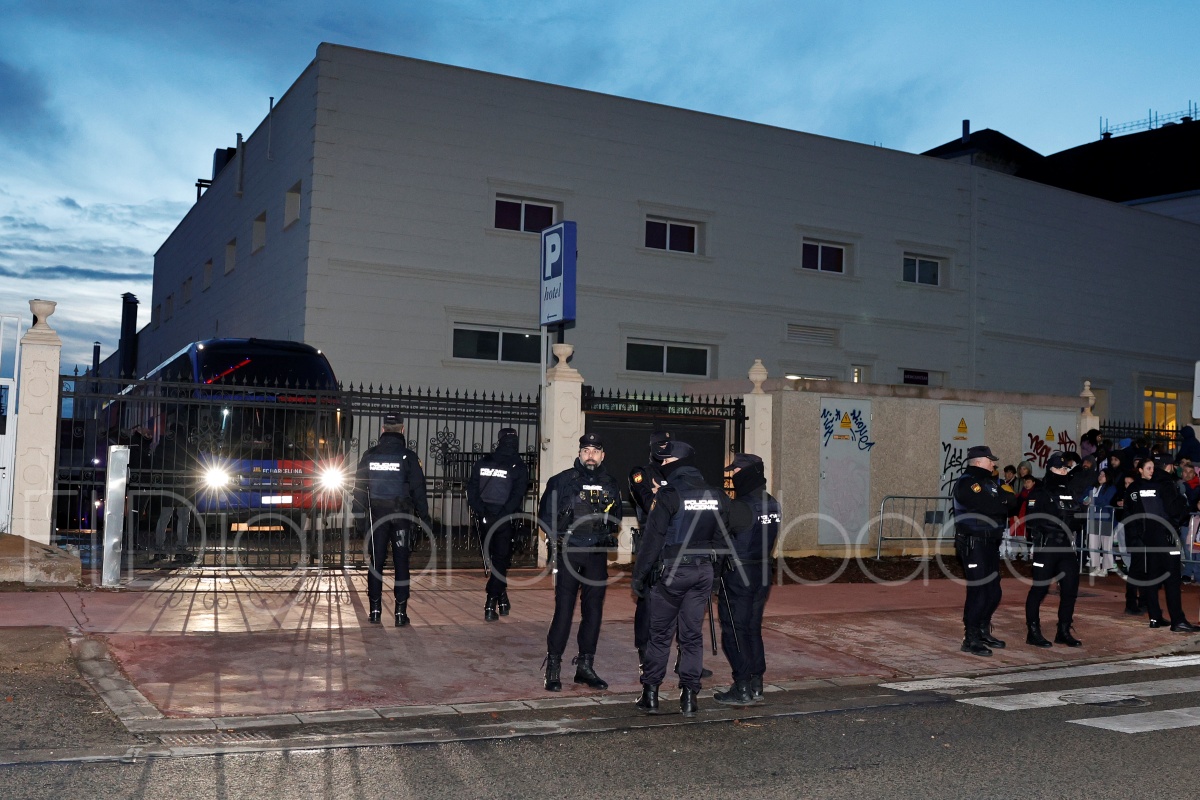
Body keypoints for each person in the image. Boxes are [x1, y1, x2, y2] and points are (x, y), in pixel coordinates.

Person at [631, 440, 731, 715]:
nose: (661, 465)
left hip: (672, 573)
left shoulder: (669, 495)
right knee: (691, 636)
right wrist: (715, 577)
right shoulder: (717, 495)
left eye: (665, 461)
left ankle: (651, 694)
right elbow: (723, 540)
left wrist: (639, 577)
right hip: (702, 572)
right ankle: (689, 697)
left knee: (660, 635)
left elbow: (652, 540)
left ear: (677, 463)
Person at [537, 433, 623, 692]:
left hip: (596, 554)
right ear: (579, 453)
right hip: (570, 553)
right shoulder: (562, 480)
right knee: (564, 610)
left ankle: (585, 667)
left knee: (593, 611)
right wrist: (557, 541)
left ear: (603, 455)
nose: (590, 456)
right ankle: (553, 666)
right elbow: (545, 516)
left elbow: (616, 517)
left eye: (595, 451)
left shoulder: (610, 483)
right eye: (586, 451)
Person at [713, 453, 780, 707]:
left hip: (738, 575)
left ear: (749, 472)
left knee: (734, 629)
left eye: (736, 471)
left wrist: (714, 577)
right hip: (763, 572)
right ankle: (756, 682)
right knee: (752, 627)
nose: (733, 475)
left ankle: (741, 686)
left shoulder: (739, 506)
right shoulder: (772, 503)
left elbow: (721, 542)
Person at [354, 413, 428, 627]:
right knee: (401, 563)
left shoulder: (370, 455)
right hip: (401, 516)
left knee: (376, 562)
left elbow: (359, 490)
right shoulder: (409, 456)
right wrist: (425, 518)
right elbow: (418, 491)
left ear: (383, 429)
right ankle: (400, 613)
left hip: (377, 517)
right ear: (402, 430)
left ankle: (375, 610)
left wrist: (359, 519)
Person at [951, 444, 1018, 656]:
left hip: (990, 543)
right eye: (991, 461)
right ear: (979, 461)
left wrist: (999, 501)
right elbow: (991, 506)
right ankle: (970, 638)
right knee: (978, 591)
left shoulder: (990, 482)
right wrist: (999, 501)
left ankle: (982, 630)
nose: (994, 464)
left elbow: (1012, 502)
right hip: (974, 543)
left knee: (993, 590)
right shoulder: (966, 482)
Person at [1122, 457, 1199, 632]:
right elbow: (1174, 510)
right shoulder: (1165, 483)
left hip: (1148, 535)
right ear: (1169, 466)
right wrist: (1183, 504)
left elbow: (1131, 512)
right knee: (1172, 578)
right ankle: (1177, 620)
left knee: (1152, 576)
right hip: (1166, 534)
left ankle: (1155, 617)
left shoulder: (1138, 486)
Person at [467, 427, 530, 621]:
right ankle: (491, 601)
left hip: (485, 518)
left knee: (495, 560)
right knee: (500, 561)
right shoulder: (518, 465)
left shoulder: (484, 461)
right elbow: (518, 495)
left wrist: (482, 511)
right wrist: (504, 513)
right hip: (505, 518)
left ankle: (502, 599)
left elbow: (471, 490)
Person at [1023, 454, 1084, 648]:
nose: (1064, 472)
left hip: (1066, 546)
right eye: (1060, 468)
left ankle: (1063, 631)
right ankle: (1033, 632)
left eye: (1065, 469)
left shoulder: (1070, 491)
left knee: (1070, 589)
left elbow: (1079, 517)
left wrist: (1071, 522)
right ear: (1051, 469)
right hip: (1047, 546)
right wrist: (1057, 524)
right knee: (1039, 589)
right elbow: (1032, 520)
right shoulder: (1040, 491)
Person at [628, 431, 671, 667]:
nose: (664, 450)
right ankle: (644, 650)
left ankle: (684, 656)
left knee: (679, 600)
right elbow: (647, 504)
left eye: (668, 445)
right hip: (651, 544)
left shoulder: (677, 472)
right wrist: (666, 494)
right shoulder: (640, 473)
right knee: (647, 600)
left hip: (675, 543)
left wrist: (660, 493)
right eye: (660, 445)